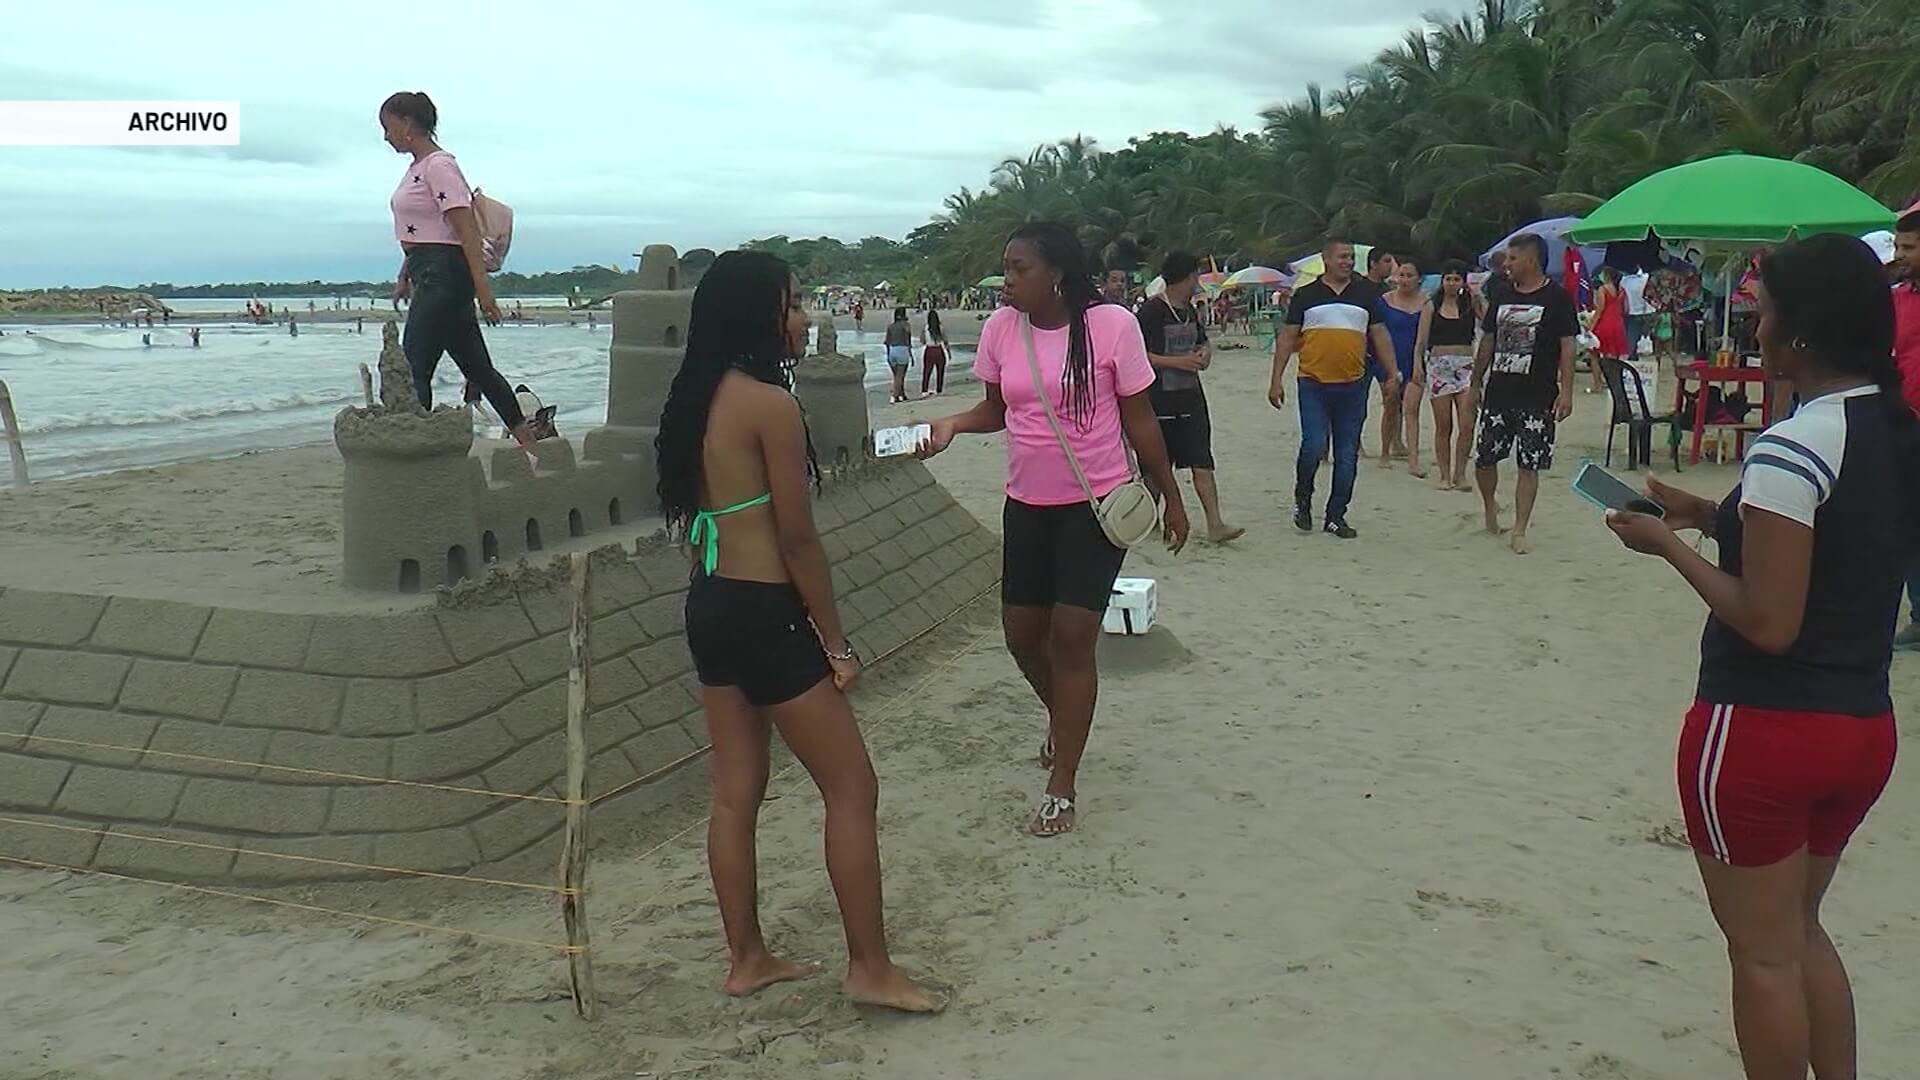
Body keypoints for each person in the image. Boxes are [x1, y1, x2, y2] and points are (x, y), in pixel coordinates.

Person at [1602, 234, 1910, 1080]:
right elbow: (1839, 541)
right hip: (1862, 724)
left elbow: (1768, 620)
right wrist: (1711, 515)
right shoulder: (1891, 426)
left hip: (1763, 727)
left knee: (1763, 956)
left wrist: (1667, 546)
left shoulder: (1791, 445)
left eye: (1764, 310)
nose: (1754, 323)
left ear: (1800, 334)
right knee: (1801, 931)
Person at [652, 249, 938, 1014]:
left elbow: (701, 520)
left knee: (736, 791)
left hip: (709, 601)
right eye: (792, 304)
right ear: (758, 315)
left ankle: (746, 958)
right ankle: (869, 967)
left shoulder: (693, 398)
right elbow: (798, 539)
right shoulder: (768, 405)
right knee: (852, 786)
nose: (805, 317)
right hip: (764, 609)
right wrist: (835, 643)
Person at [918, 222, 1189, 836]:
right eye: (1006, 267)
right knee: (1020, 634)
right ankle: (1064, 718)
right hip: (1026, 503)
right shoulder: (999, 330)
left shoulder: (1111, 325)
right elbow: (998, 408)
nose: (1007, 280)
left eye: (1018, 269)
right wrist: (953, 425)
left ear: (1056, 275)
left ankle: (1062, 782)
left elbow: (1139, 417)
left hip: (1094, 506)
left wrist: (1170, 494)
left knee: (1072, 639)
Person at [379, 91, 532, 447]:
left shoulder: (439, 166)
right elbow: (425, 232)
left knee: (415, 363)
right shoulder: (417, 169)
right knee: (478, 368)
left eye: (387, 127)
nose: (385, 136)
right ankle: (531, 446)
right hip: (430, 270)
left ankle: (415, 451)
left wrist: (484, 291)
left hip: (445, 276)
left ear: (406, 123)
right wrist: (404, 276)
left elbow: (465, 231)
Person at [1269, 238, 1399, 539]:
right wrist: (1276, 379)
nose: (1348, 262)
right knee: (1313, 445)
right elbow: (1288, 338)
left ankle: (1336, 515)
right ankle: (1303, 498)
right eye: (1342, 257)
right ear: (1326, 260)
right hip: (1313, 382)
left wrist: (1392, 373)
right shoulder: (1306, 295)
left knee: (1347, 453)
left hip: (1353, 384)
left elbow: (1380, 335)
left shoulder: (1367, 294)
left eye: (1351, 257)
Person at [1472, 233, 1576, 555]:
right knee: (1485, 458)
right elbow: (1488, 338)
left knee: (1528, 463)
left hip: (1537, 393)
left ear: (1530, 260)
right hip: (1499, 391)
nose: (1507, 264)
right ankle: (1490, 506)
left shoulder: (1557, 298)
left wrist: (1567, 391)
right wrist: (1475, 381)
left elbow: (1568, 345)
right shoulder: (1501, 293)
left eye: (1513, 258)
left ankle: (1519, 528)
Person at [1138, 250, 1243, 544]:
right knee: (1156, 468)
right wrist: (1177, 362)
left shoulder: (1190, 310)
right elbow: (1138, 355)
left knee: (1202, 461)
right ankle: (1148, 523)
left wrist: (1203, 354)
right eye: (1196, 274)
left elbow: (1202, 340)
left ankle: (1215, 523)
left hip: (1191, 398)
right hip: (1158, 400)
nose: (1198, 280)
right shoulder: (1151, 312)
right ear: (1186, 277)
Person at [1889, 211, 1920, 651]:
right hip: (1906, 426)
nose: (1900, 257)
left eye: (1910, 248)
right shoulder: (1895, 299)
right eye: (1898, 248)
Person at [1377, 256, 1432, 477]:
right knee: (1390, 406)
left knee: (1412, 410)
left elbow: (1423, 338)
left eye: (1410, 275)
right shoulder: (1385, 301)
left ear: (1419, 279)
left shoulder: (1426, 302)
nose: (1405, 279)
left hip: (1414, 360)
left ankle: (1413, 460)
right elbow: (1377, 333)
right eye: (1402, 275)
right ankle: (1385, 452)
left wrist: (1419, 364)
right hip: (1389, 360)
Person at [1426, 261, 1478, 491]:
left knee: (1467, 424)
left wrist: (1477, 295)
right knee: (1443, 425)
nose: (1452, 283)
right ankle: (1444, 475)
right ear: (1442, 280)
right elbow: (1421, 339)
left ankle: (1461, 473)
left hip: (1466, 366)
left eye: (1457, 278)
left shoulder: (1470, 304)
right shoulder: (1432, 305)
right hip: (1439, 366)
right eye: (1448, 278)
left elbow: (1488, 322)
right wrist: (1418, 367)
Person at [1591, 266, 1630, 393]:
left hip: (1604, 325)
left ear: (1607, 276)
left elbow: (1600, 310)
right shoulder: (1622, 290)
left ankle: (1598, 384)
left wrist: (1590, 328)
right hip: (1618, 325)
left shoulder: (1603, 289)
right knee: (1613, 356)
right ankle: (1613, 382)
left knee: (1595, 355)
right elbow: (1626, 309)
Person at [884, 306, 914, 404]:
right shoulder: (906, 325)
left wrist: (888, 355)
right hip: (902, 349)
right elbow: (908, 340)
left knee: (896, 376)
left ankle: (902, 395)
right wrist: (911, 355)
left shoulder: (891, 326)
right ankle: (894, 395)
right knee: (900, 376)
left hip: (892, 350)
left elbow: (887, 342)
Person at [921, 307, 948, 398]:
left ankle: (924, 390)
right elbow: (945, 340)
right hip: (938, 349)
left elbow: (922, 341)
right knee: (940, 370)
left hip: (929, 349)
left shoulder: (926, 328)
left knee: (927, 371)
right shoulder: (941, 327)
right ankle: (939, 389)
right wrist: (948, 351)